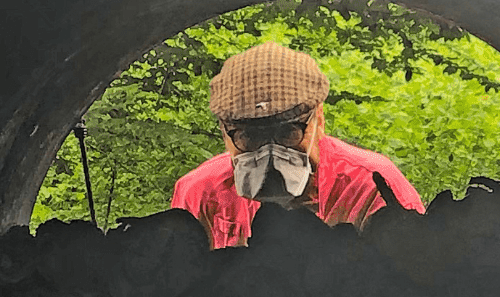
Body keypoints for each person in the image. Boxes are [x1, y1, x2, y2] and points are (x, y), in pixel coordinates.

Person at [172, 42, 425, 248]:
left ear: (319, 119)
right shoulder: (201, 193)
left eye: (288, 132)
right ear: (225, 133)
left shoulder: (370, 186)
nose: (270, 153)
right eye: (250, 137)